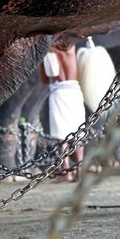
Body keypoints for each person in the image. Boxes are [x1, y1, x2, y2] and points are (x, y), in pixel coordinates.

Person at [39, 34, 86, 182]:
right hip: (75, 89)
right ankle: (80, 169)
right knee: (78, 131)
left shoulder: (47, 48)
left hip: (58, 91)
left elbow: (44, 79)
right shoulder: (71, 45)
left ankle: (66, 171)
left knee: (61, 135)